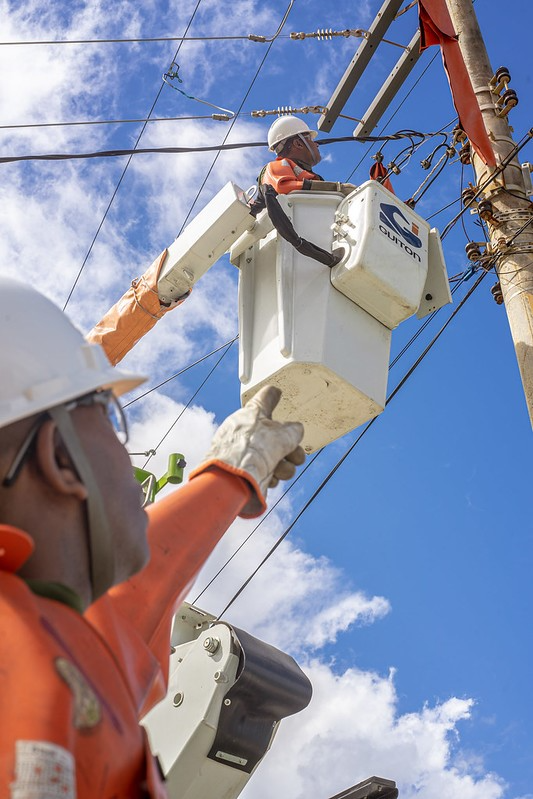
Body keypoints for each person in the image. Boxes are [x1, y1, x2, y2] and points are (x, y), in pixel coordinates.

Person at [0, 277, 305, 798]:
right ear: (61, 458)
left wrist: (232, 475)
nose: (127, 456)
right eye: (114, 421)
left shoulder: (50, 645)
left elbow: (128, 609)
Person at [260, 115, 356, 197]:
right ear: (298, 144)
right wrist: (337, 188)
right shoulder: (277, 166)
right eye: (310, 139)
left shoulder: (309, 177)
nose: (316, 144)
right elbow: (283, 187)